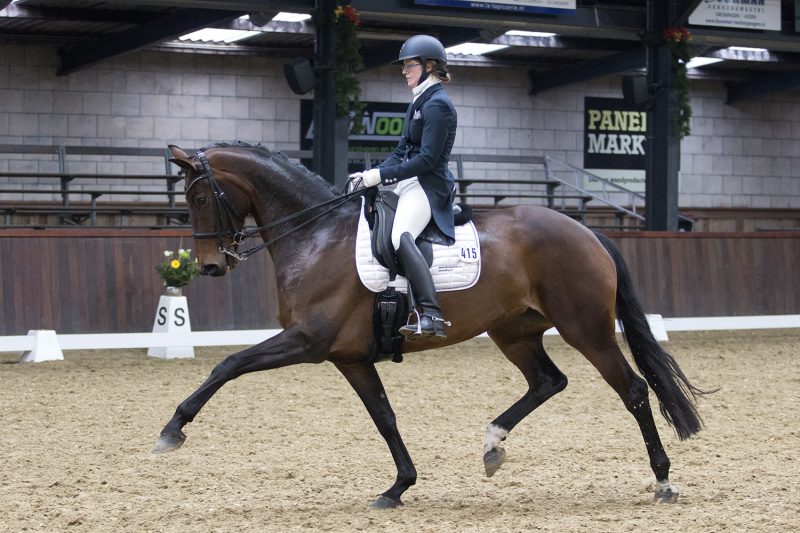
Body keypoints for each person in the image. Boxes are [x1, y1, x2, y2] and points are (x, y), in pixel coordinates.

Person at [350, 34, 457, 340]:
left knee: (400, 236)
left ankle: (431, 314)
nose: (404, 71)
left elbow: (426, 160)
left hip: (429, 185)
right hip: (410, 182)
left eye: (410, 65)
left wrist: (384, 177)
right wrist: (373, 173)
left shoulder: (439, 105)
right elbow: (401, 151)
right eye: (405, 66)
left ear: (430, 66)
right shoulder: (418, 102)